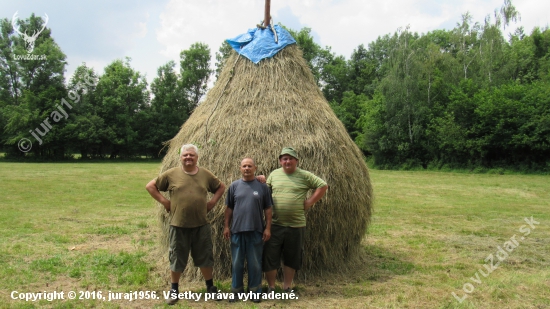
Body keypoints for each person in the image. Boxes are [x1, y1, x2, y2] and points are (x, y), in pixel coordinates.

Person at [145, 144, 225, 305]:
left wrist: (212, 203)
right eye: (185, 155)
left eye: (191, 155)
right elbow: (150, 186)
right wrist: (165, 202)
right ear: (180, 157)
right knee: (177, 257)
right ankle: (174, 290)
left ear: (197, 158)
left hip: (201, 224)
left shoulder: (205, 174)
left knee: (205, 257)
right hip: (178, 224)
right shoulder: (171, 174)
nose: (188, 158)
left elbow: (221, 187)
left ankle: (210, 287)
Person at [262, 147, 328, 293]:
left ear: (296, 161)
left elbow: (323, 186)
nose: (287, 161)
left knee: (292, 256)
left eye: (291, 158)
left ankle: (287, 287)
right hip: (275, 224)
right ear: (280, 161)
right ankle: (271, 287)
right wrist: (261, 181)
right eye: (284, 158)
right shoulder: (274, 174)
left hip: (296, 225)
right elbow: (265, 192)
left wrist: (310, 202)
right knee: (270, 255)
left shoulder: (304, 175)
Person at [224, 157, 273, 303]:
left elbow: (268, 209)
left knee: (255, 263)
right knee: (237, 263)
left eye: (249, 166)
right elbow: (229, 208)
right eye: (244, 166)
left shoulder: (262, 187)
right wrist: (226, 226)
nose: (247, 168)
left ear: (255, 168)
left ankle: (255, 292)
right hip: (237, 231)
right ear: (240, 168)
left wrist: (268, 228)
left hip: (256, 231)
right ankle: (236, 291)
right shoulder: (234, 186)